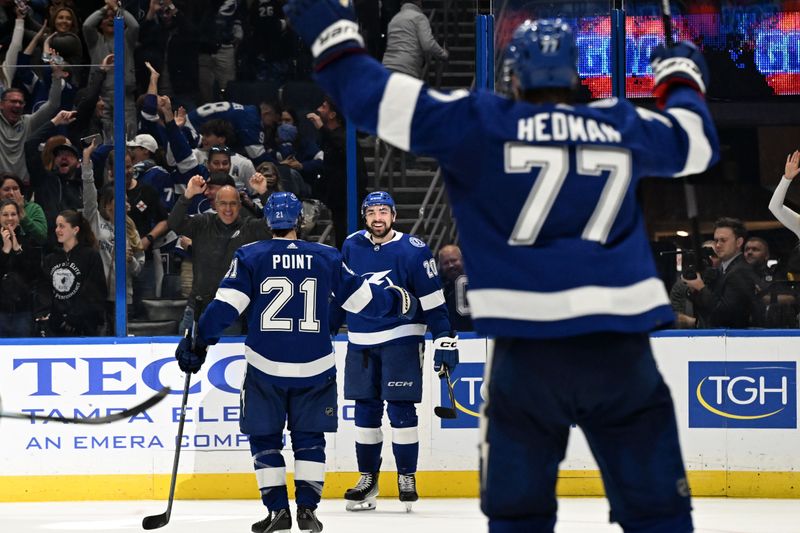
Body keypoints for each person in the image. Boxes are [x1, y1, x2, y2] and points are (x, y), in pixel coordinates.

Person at [282, 3, 719, 531]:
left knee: (518, 516)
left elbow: (365, 93)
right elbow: (696, 142)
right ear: (575, 76)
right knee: (658, 514)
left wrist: (331, 29)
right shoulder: (620, 122)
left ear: (513, 75)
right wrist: (679, 73)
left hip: (527, 355)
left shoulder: (479, 121)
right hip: (620, 355)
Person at [174, 191, 418, 533]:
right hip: (316, 367)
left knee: (264, 439)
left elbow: (225, 307)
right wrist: (396, 300)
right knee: (310, 440)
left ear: (268, 221)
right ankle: (307, 510)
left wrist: (198, 343)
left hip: (265, 367)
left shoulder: (251, 255)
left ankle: (277, 510)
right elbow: (362, 300)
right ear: (299, 222)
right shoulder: (327, 256)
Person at [337, 191, 457, 512]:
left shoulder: (414, 250)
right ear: (365, 216)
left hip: (403, 340)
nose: (378, 218)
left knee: (401, 410)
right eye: (372, 212)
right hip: (361, 341)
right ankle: (368, 479)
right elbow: (341, 294)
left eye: (383, 212)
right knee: (365, 412)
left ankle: (406, 476)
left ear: (393, 215)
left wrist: (444, 336)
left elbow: (433, 301)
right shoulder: (351, 245)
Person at [167, 174, 272, 333]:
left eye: (232, 204)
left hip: (231, 313)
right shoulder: (203, 222)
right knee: (187, 356)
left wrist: (264, 193)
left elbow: (273, 226)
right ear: (215, 204)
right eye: (223, 203)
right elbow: (174, 223)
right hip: (197, 309)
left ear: (239, 205)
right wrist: (188, 194)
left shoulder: (249, 227)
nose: (228, 209)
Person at [35, 210, 108, 337]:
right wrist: (48, 315)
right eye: (56, 226)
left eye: (62, 226)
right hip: (56, 326)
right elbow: (44, 289)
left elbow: (95, 291)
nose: (57, 230)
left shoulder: (90, 256)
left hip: (84, 327)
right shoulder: (51, 258)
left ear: (75, 230)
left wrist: (73, 317)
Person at [685, 217, 757, 329]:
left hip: (733, 339)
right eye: (716, 240)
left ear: (739, 242)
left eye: (723, 240)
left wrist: (701, 288)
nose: (717, 245)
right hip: (719, 337)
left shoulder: (741, 271)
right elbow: (706, 309)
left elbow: (725, 314)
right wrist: (694, 289)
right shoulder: (723, 269)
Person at [0, 199, 42, 336]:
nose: (10, 218)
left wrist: (18, 250)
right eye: (5, 214)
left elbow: (34, 275)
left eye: (13, 214)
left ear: (19, 217)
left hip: (23, 311)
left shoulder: (30, 240)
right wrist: (5, 251)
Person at [381, 0, 448, 80]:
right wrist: (443, 54)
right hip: (407, 67)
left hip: (387, 66)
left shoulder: (394, 19)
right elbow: (427, 44)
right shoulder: (419, 17)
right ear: (418, 2)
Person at [437, 243, 473, 332]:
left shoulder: (477, 279)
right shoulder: (438, 285)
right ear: (440, 266)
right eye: (446, 263)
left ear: (463, 260)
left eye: (453, 260)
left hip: (479, 336)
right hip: (452, 338)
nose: (451, 265)